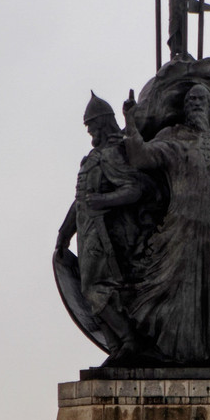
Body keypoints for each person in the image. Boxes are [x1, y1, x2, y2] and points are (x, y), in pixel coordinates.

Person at [123, 84, 210, 363]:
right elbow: (140, 157)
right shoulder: (173, 137)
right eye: (190, 99)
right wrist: (130, 122)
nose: (196, 103)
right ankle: (169, 351)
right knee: (172, 288)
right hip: (181, 223)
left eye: (202, 99)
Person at [56, 93, 151, 361]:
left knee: (96, 290)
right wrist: (65, 233)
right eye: (89, 128)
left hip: (106, 235)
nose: (91, 133)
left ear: (104, 124)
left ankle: (129, 340)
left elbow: (134, 189)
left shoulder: (112, 154)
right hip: (87, 235)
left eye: (93, 127)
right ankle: (118, 347)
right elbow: (80, 201)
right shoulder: (92, 158)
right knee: (92, 291)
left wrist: (104, 200)